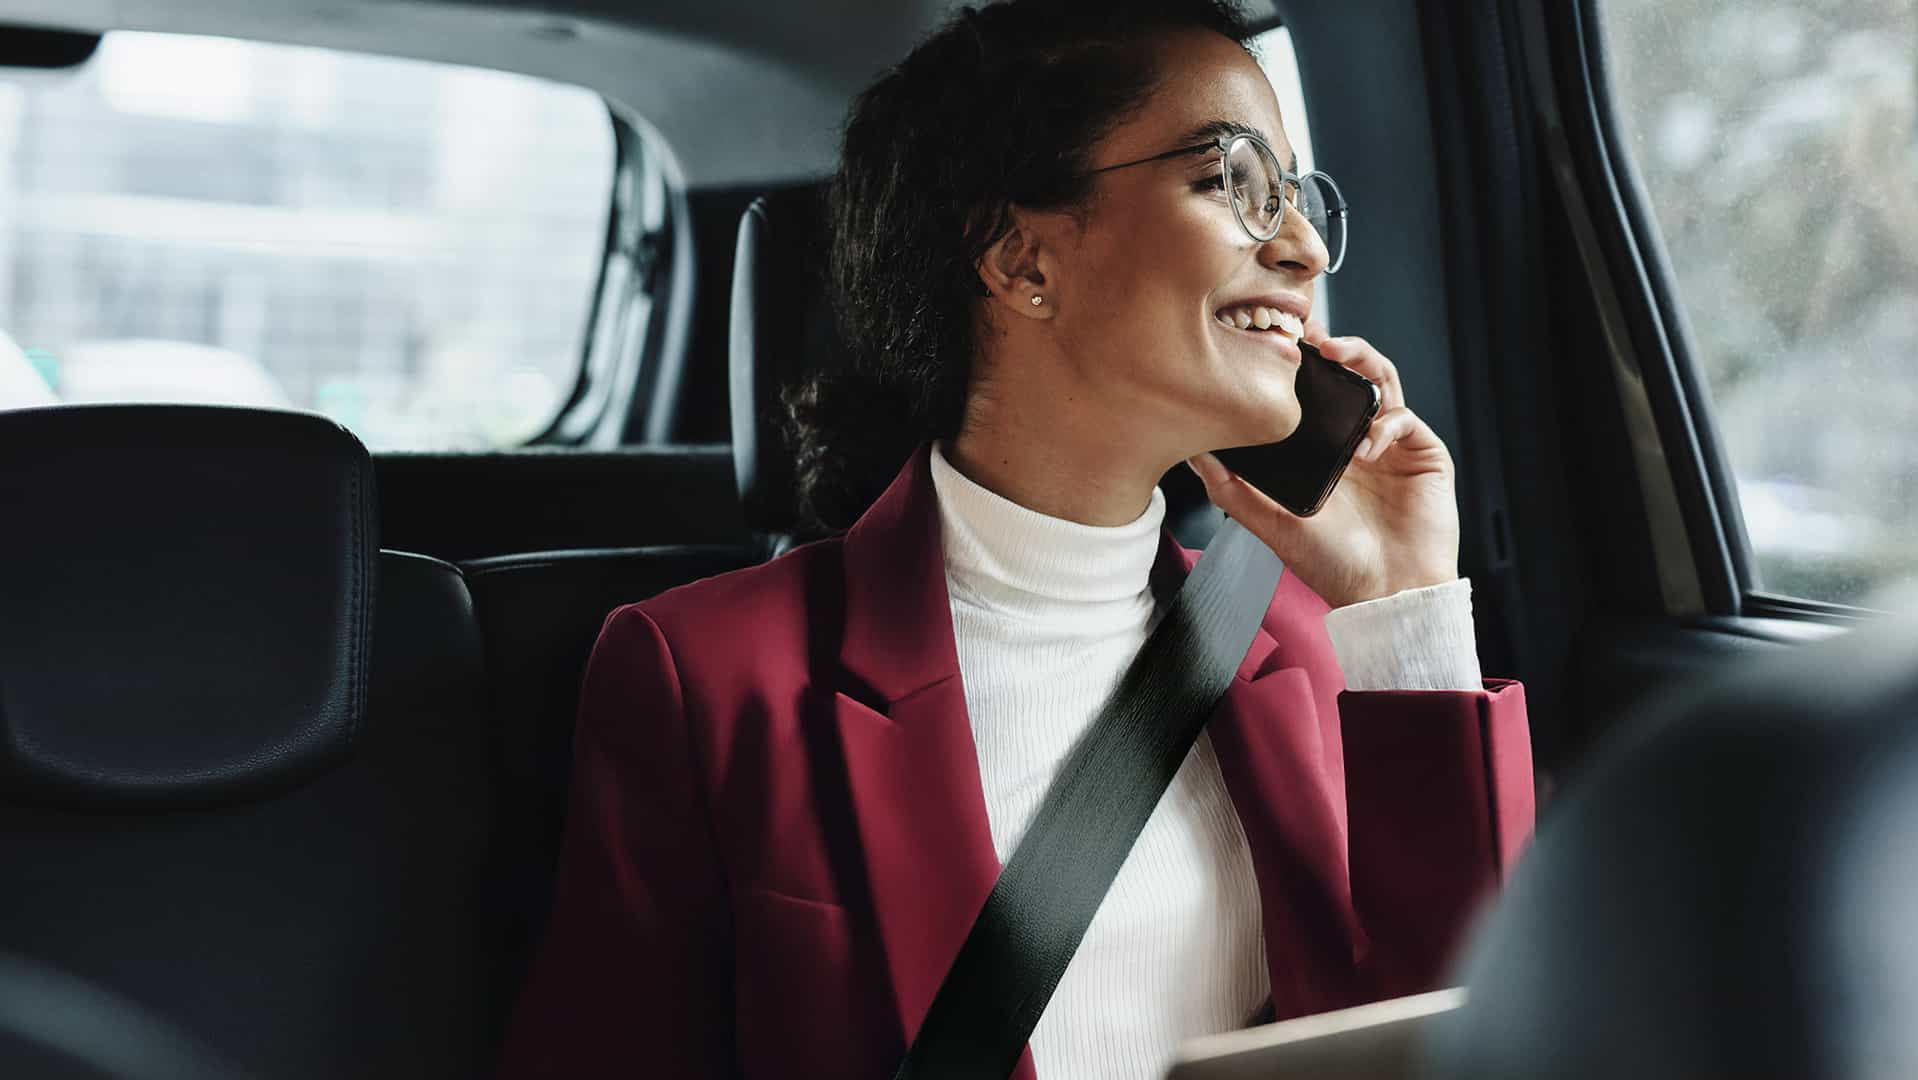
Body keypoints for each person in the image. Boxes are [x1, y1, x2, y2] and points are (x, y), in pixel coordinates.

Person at [498, 2, 1533, 1077]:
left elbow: (1481, 1041)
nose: (1305, 246)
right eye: (1234, 180)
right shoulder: (708, 679)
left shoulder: (1310, 643)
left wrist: (1401, 605)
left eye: (1301, 196)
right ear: (1018, 254)